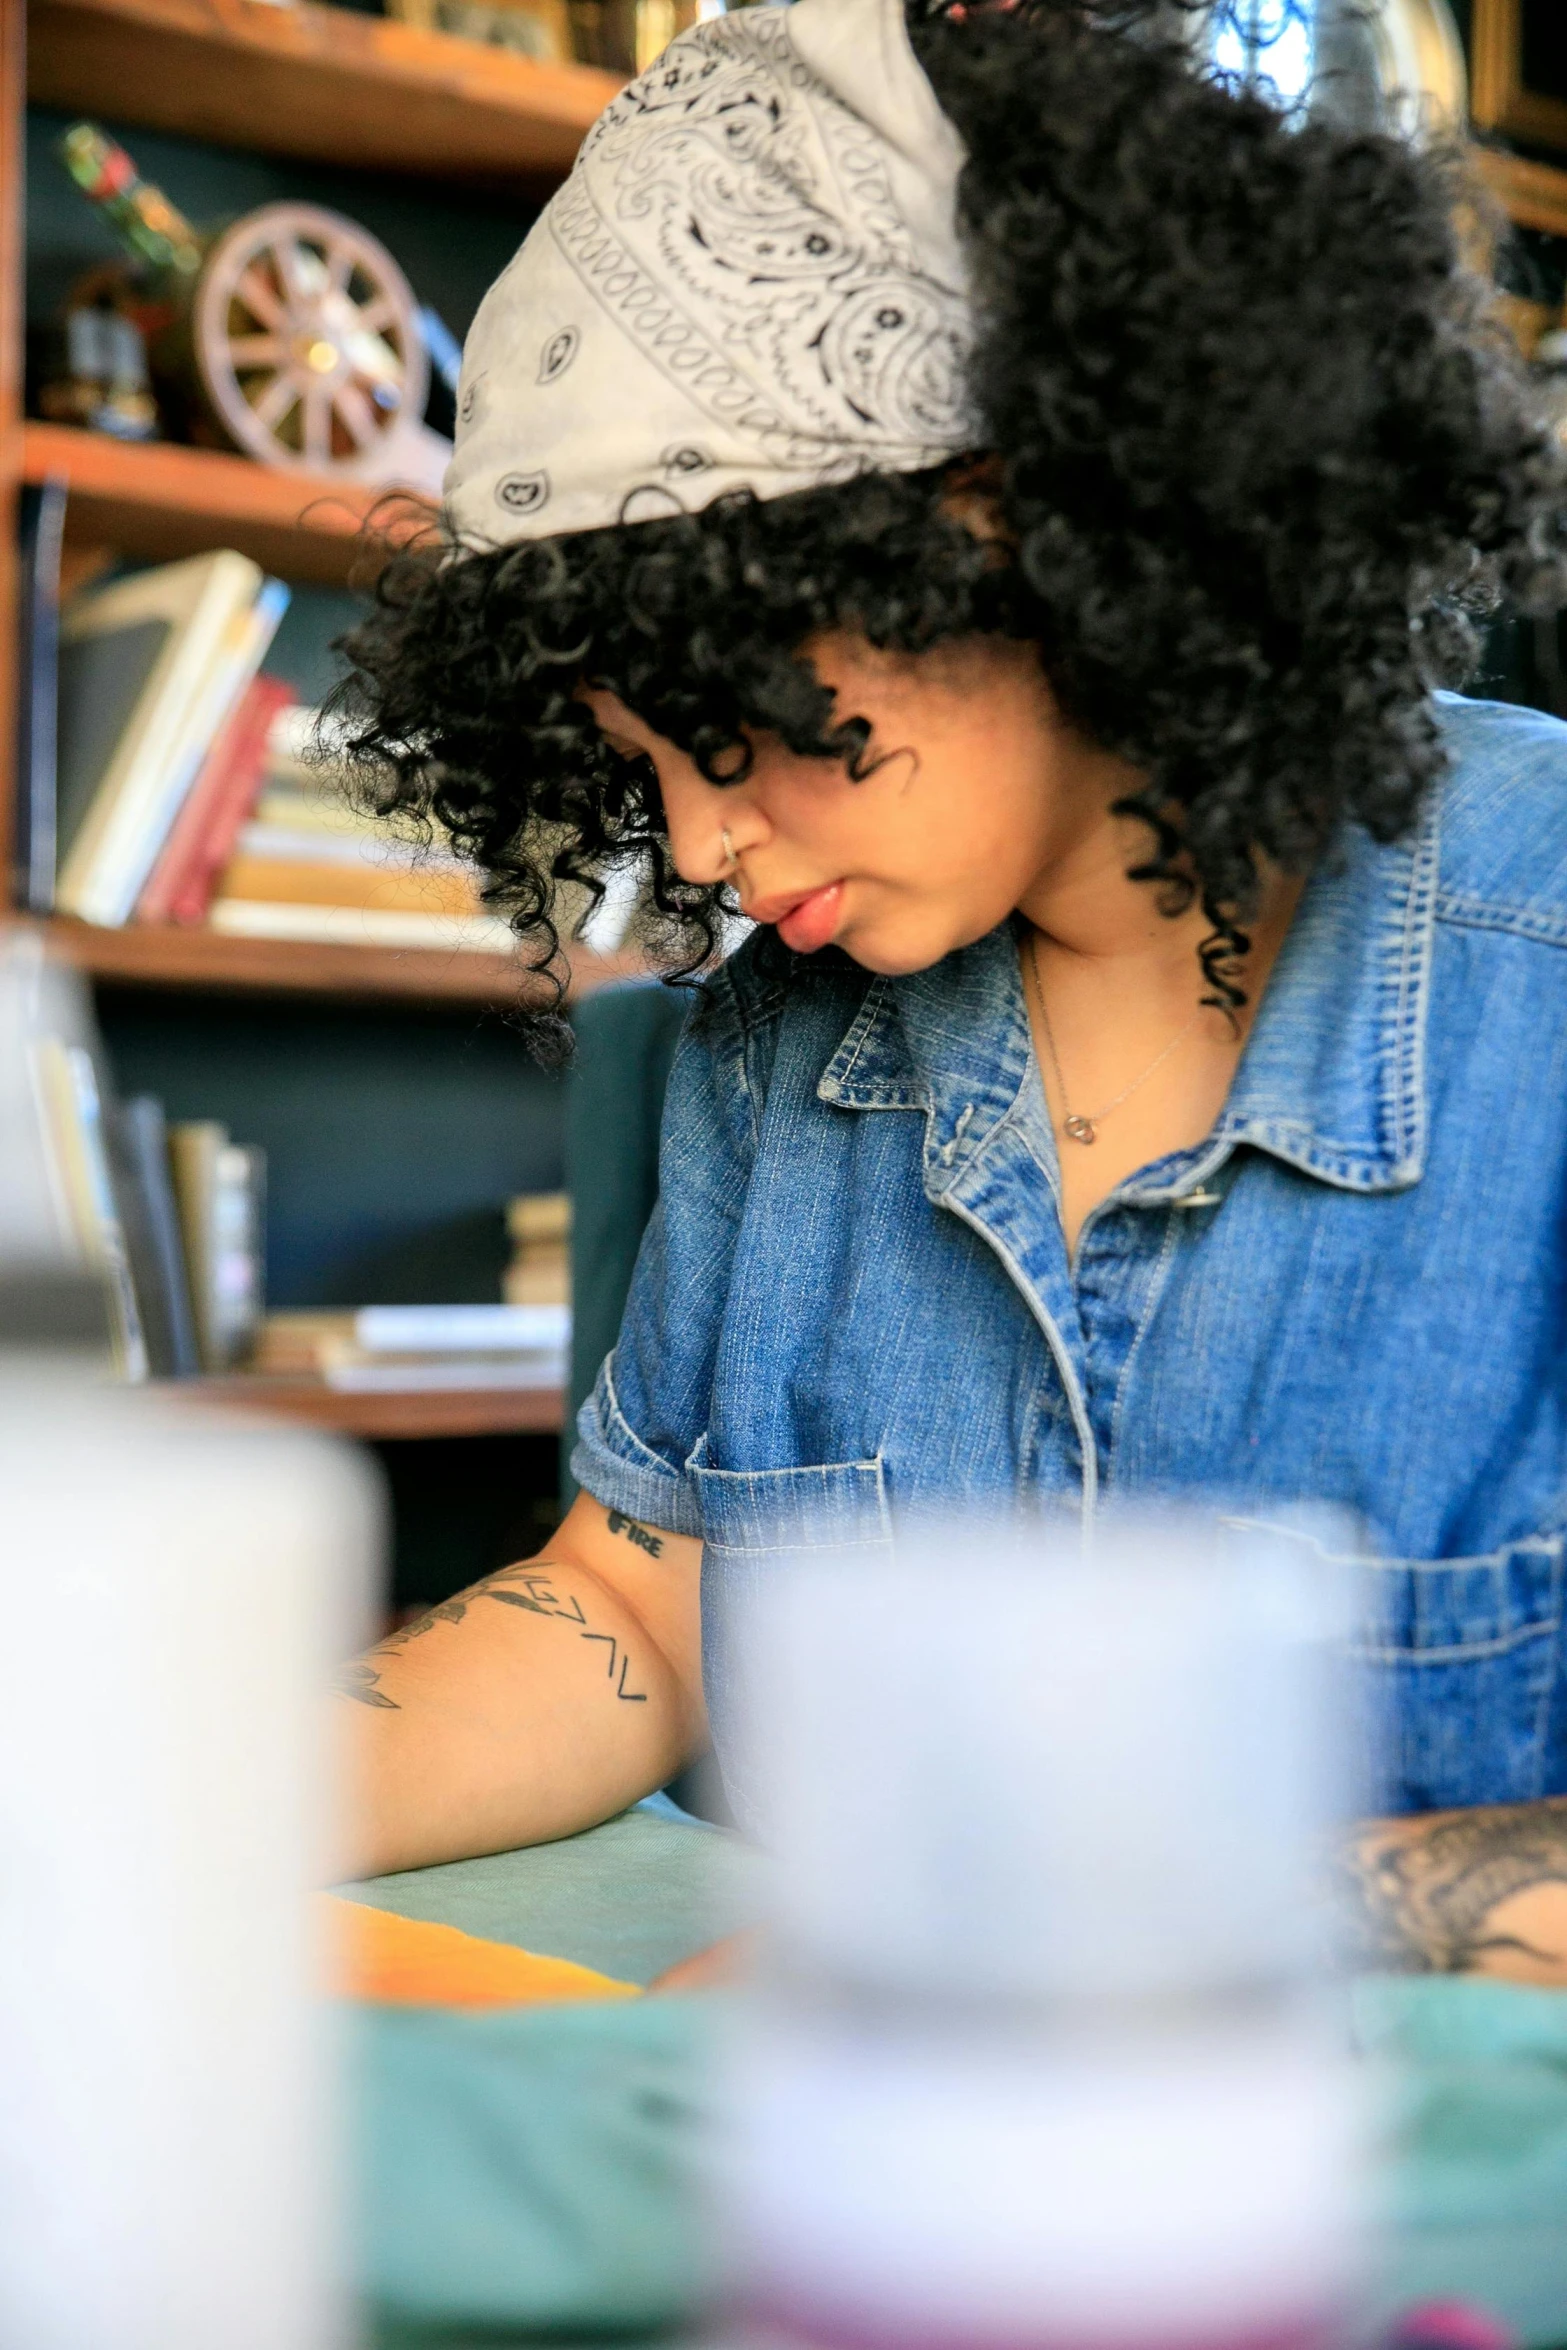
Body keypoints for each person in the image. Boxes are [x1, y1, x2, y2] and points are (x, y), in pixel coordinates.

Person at [335, 0, 1567, 1983]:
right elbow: (634, 1617)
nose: (704, 844)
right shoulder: (778, 1042)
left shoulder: (1548, 959)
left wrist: (1025, 1935)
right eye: (643, 765)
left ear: (1021, 517)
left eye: (744, 719)